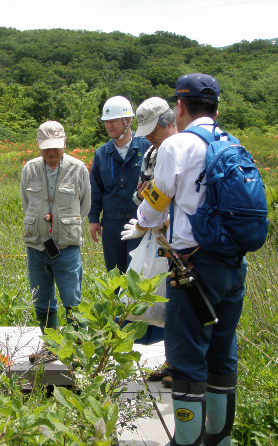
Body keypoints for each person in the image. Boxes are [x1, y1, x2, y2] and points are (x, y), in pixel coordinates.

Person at [127, 74, 248, 446]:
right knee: (223, 349)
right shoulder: (231, 142)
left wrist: (144, 214)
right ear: (216, 106)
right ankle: (219, 441)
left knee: (186, 351)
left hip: (193, 265)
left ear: (179, 107)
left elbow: (156, 205)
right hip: (233, 263)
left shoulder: (178, 144)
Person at [123, 96, 178, 384]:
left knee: (181, 305)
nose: (151, 139)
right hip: (158, 239)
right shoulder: (150, 155)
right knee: (168, 301)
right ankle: (172, 363)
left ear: (167, 122)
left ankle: (184, 367)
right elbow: (141, 193)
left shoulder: (183, 149)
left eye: (153, 132)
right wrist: (144, 201)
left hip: (182, 240)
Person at [21, 121, 91, 336]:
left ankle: (78, 348)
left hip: (67, 247)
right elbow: (26, 202)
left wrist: (62, 221)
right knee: (42, 299)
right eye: (47, 146)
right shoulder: (29, 169)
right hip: (37, 245)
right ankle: (51, 346)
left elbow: (85, 205)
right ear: (39, 145)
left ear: (65, 143)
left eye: (56, 145)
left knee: (72, 298)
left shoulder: (77, 169)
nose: (52, 151)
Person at [88, 96, 151, 274]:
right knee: (115, 274)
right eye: (106, 121)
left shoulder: (146, 147)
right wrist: (93, 219)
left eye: (113, 120)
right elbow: (96, 189)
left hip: (140, 221)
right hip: (112, 224)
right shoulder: (102, 154)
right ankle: (116, 303)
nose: (109, 126)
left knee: (138, 274)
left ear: (128, 120)